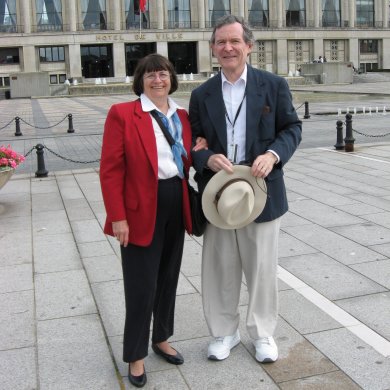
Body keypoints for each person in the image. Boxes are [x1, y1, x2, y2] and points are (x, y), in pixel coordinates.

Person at [189, 15, 302, 364]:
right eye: (221, 42)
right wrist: (206, 158)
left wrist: (272, 154)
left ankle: (263, 333)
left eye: (234, 41)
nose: (228, 48)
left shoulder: (273, 85)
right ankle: (224, 332)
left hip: (262, 191)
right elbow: (193, 144)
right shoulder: (201, 94)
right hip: (219, 195)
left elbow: (292, 129)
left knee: (262, 268)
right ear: (212, 49)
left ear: (249, 46)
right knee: (220, 267)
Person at [100, 53, 206, 388]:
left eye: (162, 74)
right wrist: (118, 217)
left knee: (168, 277)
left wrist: (199, 148)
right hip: (139, 208)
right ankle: (135, 354)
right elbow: (110, 170)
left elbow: (187, 156)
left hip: (176, 202)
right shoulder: (123, 114)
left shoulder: (182, 116)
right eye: (150, 75)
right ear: (140, 81)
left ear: (172, 79)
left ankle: (161, 337)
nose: (157, 80)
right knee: (140, 284)